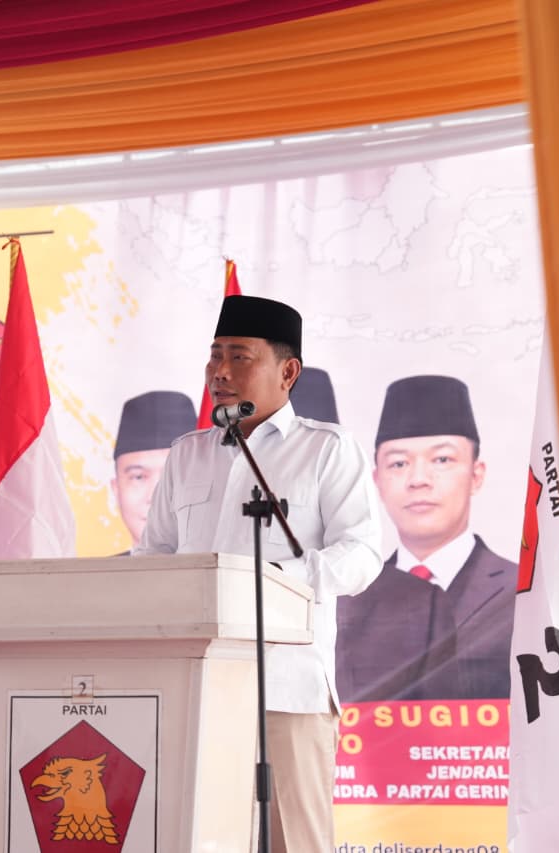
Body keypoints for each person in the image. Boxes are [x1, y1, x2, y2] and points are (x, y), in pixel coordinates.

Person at [135, 294, 382, 852]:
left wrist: (276, 579)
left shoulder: (326, 449)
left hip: (287, 690)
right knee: (199, 839)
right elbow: (155, 557)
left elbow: (362, 554)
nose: (220, 372)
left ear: (287, 372)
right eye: (215, 355)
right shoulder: (187, 454)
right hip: (196, 690)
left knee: (295, 841)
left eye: (239, 357)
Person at [335, 375, 518, 702]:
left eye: (442, 460)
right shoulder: (352, 595)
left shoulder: (522, 592)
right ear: (376, 480)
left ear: (476, 475)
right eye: (399, 463)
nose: (418, 479)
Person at [110, 390, 197, 551]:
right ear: (116, 489)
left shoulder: (231, 566)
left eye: (173, 475)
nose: (156, 498)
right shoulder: (95, 569)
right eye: (138, 477)